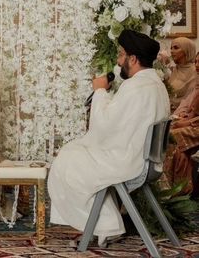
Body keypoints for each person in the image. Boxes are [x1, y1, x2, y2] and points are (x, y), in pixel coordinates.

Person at [48, 29, 170, 247]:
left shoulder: (135, 87)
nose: (118, 59)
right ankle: (106, 224)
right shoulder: (156, 85)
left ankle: (106, 225)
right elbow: (120, 125)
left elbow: (104, 127)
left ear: (133, 59)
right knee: (74, 154)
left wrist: (100, 91)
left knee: (67, 160)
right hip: (148, 162)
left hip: (129, 162)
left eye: (121, 54)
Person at [164, 51, 199, 193]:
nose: (197, 65)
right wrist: (184, 116)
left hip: (196, 127)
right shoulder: (197, 82)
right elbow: (191, 107)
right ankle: (179, 191)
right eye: (196, 62)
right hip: (194, 124)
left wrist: (186, 123)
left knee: (171, 137)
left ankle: (178, 190)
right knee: (175, 146)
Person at [166, 37, 196, 110]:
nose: (172, 51)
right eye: (171, 48)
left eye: (176, 48)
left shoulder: (195, 72)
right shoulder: (172, 70)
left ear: (187, 50)